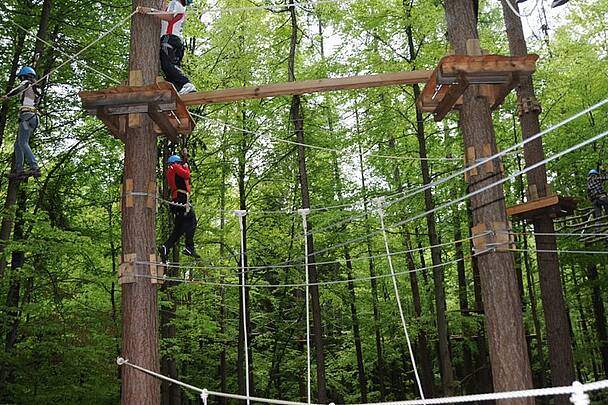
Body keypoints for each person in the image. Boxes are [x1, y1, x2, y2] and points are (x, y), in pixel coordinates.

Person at [137, 0, 197, 94]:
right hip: (177, 41)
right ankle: (180, 89)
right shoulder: (179, 7)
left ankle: (186, 83)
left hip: (169, 38)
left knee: (168, 65)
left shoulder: (175, 3)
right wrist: (163, 7)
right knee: (171, 71)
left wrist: (150, 10)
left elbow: (169, 16)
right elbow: (166, 15)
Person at [159, 150, 200, 262]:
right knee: (192, 220)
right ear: (176, 162)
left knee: (179, 229)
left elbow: (183, 174)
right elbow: (186, 174)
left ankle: (166, 247)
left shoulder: (171, 170)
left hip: (178, 200)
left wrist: (185, 157)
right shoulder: (175, 167)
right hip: (181, 199)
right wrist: (186, 166)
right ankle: (189, 247)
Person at [1, 66, 41, 179]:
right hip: (34, 118)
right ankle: (19, 170)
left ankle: (34, 166)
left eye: (21, 77)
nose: (20, 80)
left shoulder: (27, 83)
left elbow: (18, 89)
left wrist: (7, 96)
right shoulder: (37, 88)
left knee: (23, 143)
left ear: (24, 76)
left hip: (27, 116)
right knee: (18, 144)